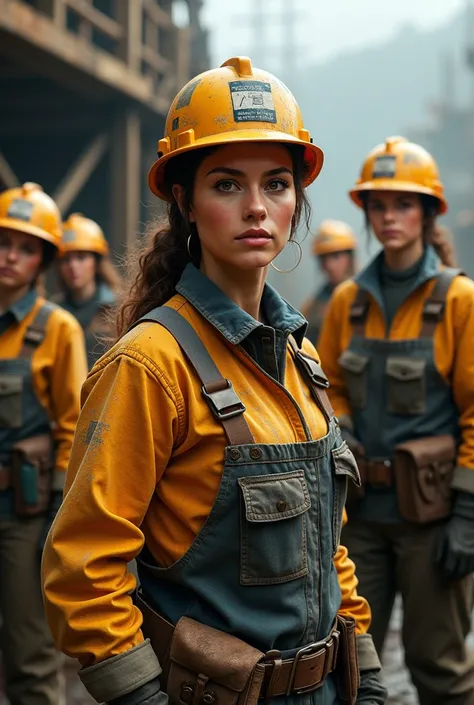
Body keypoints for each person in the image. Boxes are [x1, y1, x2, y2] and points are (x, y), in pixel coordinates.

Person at [41, 57, 386, 705]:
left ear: (296, 200)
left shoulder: (298, 361)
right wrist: (141, 694)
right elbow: (84, 568)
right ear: (183, 198)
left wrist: (363, 668)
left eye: (277, 184)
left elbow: (326, 543)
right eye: (227, 184)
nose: (257, 207)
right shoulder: (151, 364)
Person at [318, 135, 474, 705]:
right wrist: (343, 430)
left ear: (429, 212)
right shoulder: (346, 303)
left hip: (434, 519)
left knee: (441, 669)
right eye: (378, 206)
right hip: (360, 518)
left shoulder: (459, 301)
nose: (388, 218)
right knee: (348, 665)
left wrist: (467, 516)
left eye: (403, 204)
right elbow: (328, 390)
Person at [0, 182, 87, 704]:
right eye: (5, 241)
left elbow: (73, 428)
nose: (11, 256)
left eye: (27, 247)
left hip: (23, 515)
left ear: (43, 260)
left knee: (30, 658)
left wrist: (56, 518)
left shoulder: (57, 330)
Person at [55, 212, 121, 368]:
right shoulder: (52, 313)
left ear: (96, 262)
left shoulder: (119, 309)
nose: (73, 266)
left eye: (81, 257)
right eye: (66, 259)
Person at [301, 220, 357, 344]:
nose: (329, 265)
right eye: (323, 258)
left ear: (350, 257)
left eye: (335, 256)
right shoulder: (312, 306)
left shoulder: (368, 295)